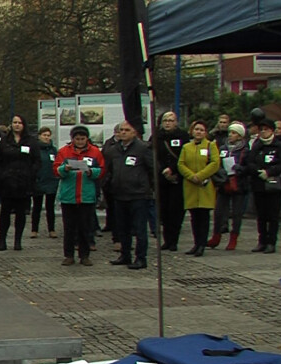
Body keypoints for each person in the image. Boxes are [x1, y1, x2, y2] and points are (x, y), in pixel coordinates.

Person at [103, 121, 153, 269]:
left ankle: (141, 258)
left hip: (138, 195)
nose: (123, 132)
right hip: (119, 194)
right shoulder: (114, 150)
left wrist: (146, 187)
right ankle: (125, 255)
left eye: (127, 130)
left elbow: (153, 169)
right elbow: (110, 169)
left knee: (139, 229)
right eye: (121, 130)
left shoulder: (143, 148)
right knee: (122, 228)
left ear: (134, 132)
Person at [53, 126, 104, 266]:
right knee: (69, 228)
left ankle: (85, 255)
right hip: (69, 195)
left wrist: (91, 172)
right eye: (77, 139)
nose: (80, 141)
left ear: (87, 138)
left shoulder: (95, 152)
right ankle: (68, 255)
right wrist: (65, 169)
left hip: (86, 196)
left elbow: (101, 170)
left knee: (85, 228)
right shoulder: (64, 151)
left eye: (82, 139)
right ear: (72, 139)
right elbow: (56, 170)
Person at [0, 115, 39, 251]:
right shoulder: (5, 141)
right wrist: (0, 175)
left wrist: (31, 174)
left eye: (19, 123)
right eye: (14, 122)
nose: (17, 125)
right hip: (7, 182)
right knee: (5, 212)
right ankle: (2, 240)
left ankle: (17, 240)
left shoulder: (31, 141)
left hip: (23, 182)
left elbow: (36, 161)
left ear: (24, 125)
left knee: (21, 213)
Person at [177, 120, 220, 257]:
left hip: (204, 186)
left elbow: (215, 163)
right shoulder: (186, 147)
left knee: (203, 216)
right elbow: (181, 164)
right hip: (191, 185)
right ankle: (196, 243)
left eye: (201, 130)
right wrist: (191, 176)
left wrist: (200, 176)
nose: (199, 132)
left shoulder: (210, 146)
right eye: (196, 129)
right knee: (194, 217)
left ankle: (202, 244)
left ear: (205, 132)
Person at [245, 120, 281, 254]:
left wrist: (269, 172)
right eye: (261, 129)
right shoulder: (257, 145)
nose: (263, 132)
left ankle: (271, 242)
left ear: (272, 131)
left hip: (273, 185)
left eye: (266, 129)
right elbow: (249, 161)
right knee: (261, 215)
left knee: (273, 215)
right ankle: (262, 240)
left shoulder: (279, 146)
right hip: (259, 184)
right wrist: (258, 171)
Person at [208, 122, 249, 251]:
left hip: (238, 184)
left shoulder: (245, 150)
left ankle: (234, 238)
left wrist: (241, 169)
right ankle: (216, 235)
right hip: (224, 182)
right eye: (230, 132)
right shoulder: (223, 148)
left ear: (240, 136)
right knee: (219, 211)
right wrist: (220, 172)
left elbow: (250, 166)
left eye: (234, 133)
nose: (231, 135)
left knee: (236, 213)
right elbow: (216, 163)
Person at [155, 111, 189, 251]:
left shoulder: (183, 137)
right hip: (162, 178)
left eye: (171, 120)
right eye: (165, 120)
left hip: (177, 178)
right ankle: (166, 240)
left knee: (176, 211)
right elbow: (153, 156)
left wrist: (173, 170)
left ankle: (174, 240)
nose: (168, 123)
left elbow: (184, 156)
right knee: (164, 212)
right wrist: (163, 170)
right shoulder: (157, 137)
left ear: (176, 122)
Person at [31, 126, 58, 239]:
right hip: (38, 180)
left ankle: (51, 229)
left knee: (50, 207)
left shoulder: (53, 150)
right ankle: (34, 229)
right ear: (39, 136)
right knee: (37, 206)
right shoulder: (35, 149)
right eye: (44, 135)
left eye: (48, 135)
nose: (46, 137)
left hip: (51, 181)